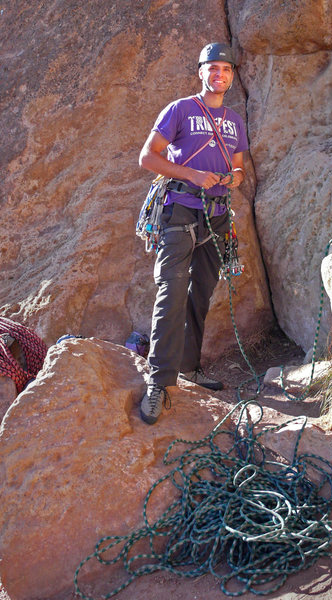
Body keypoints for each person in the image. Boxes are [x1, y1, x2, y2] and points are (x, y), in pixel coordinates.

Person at [138, 42, 248, 425]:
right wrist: (193, 175)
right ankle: (159, 381)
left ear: (232, 76)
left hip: (217, 216)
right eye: (212, 68)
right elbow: (148, 156)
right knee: (170, 292)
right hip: (181, 210)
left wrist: (232, 179)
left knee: (200, 293)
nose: (219, 75)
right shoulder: (180, 110)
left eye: (226, 70)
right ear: (200, 71)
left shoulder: (234, 122)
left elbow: (238, 167)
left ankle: (189, 368)